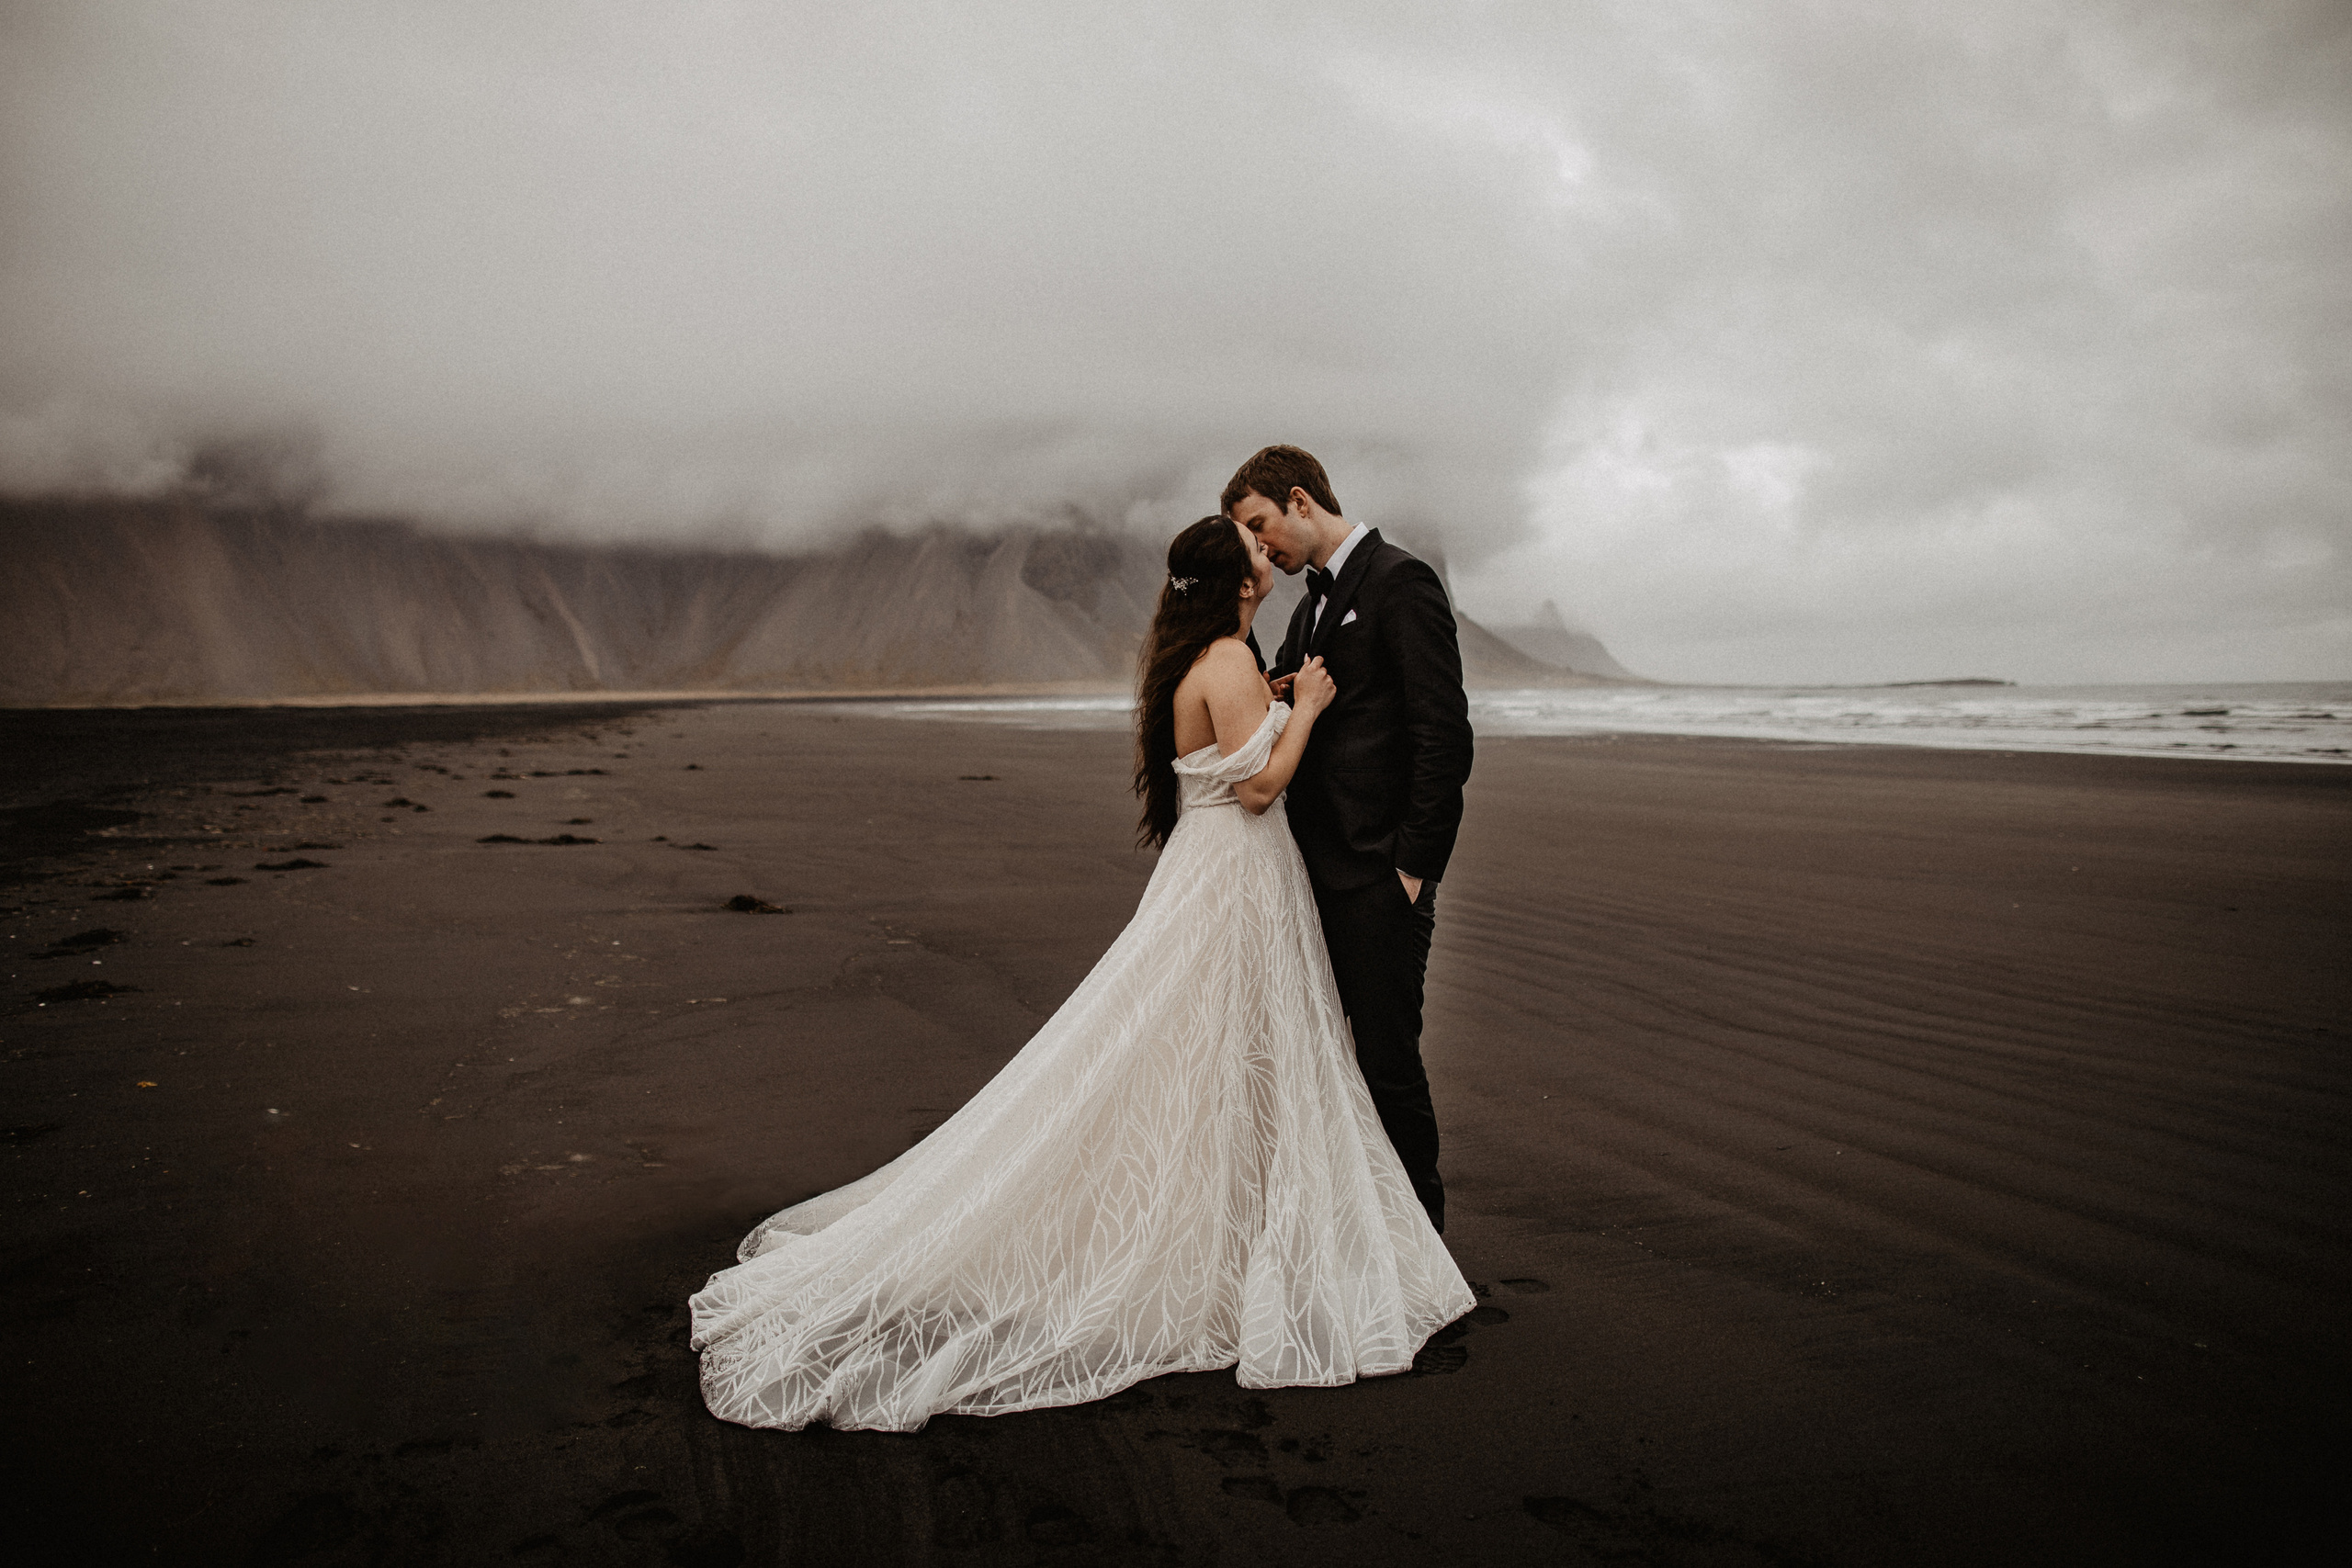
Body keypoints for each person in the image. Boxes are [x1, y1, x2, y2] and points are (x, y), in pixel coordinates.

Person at [689, 515, 1472, 1433]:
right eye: (1253, 549)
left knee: (1199, 1042)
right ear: (1237, 583)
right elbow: (1259, 789)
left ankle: (1224, 1219)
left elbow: (1230, 760)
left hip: (1222, 867)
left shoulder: (1215, 659)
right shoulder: (1223, 661)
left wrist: (1279, 699)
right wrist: (1304, 713)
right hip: (1237, 872)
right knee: (1210, 1041)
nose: (1267, 554)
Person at [1224, 445, 1473, 1233]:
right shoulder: (1305, 609)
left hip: (1378, 876)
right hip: (1316, 875)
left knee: (1389, 1067)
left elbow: (1444, 737)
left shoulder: (1401, 582)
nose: (1264, 549)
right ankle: (1364, 1240)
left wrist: (1411, 869)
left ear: (1300, 500)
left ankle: (1424, 1253)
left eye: (1262, 527)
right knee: (1337, 1068)